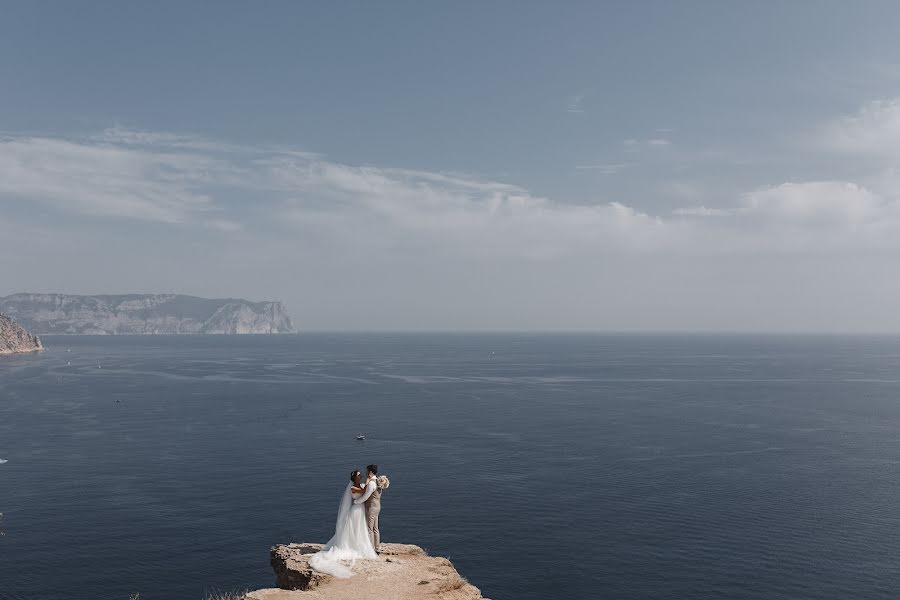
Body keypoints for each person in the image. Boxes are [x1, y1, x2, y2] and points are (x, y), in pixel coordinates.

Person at [308, 469, 377, 578]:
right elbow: (364, 491)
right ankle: (353, 546)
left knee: (360, 530)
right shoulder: (353, 488)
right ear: (354, 478)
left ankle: (359, 545)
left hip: (361, 510)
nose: (361, 476)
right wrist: (369, 479)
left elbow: (365, 488)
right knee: (355, 529)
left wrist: (368, 482)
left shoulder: (362, 484)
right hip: (355, 511)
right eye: (359, 475)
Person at [353, 464, 382, 553]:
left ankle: (371, 549)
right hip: (377, 506)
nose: (365, 472)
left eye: (366, 471)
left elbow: (366, 497)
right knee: (375, 528)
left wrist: (356, 502)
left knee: (370, 528)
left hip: (371, 508)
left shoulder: (371, 484)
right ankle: (377, 548)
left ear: (370, 472)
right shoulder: (378, 481)